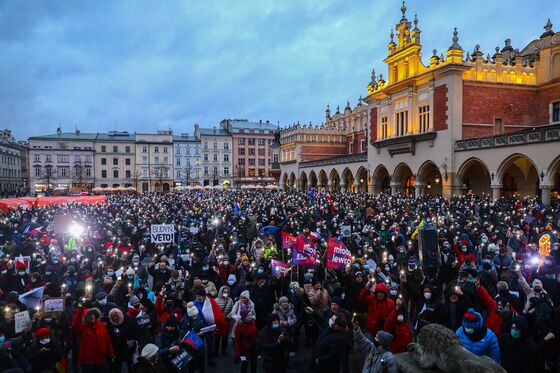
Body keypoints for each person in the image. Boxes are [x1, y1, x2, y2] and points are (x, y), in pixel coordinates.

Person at [72, 306, 114, 373]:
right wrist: (81, 307)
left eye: (92, 314)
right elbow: (75, 324)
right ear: (85, 317)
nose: (91, 317)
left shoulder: (101, 325)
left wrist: (111, 352)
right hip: (87, 363)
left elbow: (107, 340)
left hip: (102, 361)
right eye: (88, 315)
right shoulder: (82, 328)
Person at [234, 309, 258, 373]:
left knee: (254, 365)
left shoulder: (253, 323)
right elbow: (237, 341)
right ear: (244, 316)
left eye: (251, 315)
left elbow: (256, 335)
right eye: (249, 315)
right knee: (244, 366)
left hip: (253, 349)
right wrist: (237, 354)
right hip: (244, 351)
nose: (251, 316)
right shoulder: (239, 326)